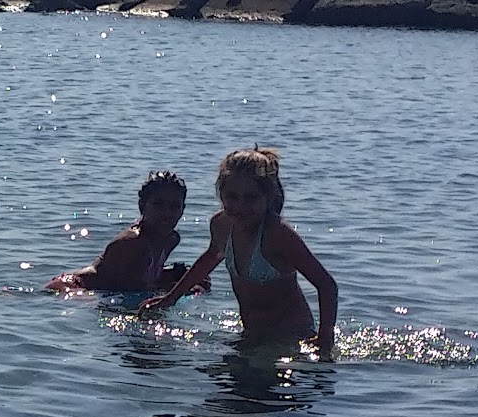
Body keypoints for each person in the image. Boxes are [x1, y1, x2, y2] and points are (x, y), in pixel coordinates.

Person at [140, 147, 338, 359]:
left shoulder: (278, 235)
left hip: (289, 335)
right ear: (221, 194)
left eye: (251, 198)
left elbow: (326, 285)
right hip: (251, 332)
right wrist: (170, 298)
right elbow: (209, 259)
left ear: (268, 197)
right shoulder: (221, 224)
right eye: (232, 197)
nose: (240, 207)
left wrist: (324, 337)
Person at [44, 170, 197, 293]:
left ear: (183, 209)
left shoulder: (171, 239)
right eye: (158, 204)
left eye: (175, 206)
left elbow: (142, 275)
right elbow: (131, 289)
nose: (167, 213)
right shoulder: (133, 243)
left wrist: (180, 274)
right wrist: (182, 288)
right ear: (142, 205)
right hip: (71, 288)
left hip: (105, 288)